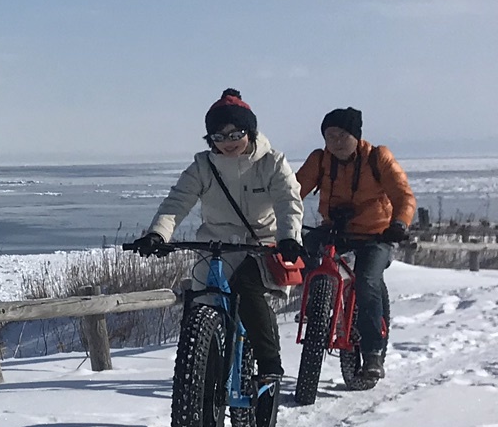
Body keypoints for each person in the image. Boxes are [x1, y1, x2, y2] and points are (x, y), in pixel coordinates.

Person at [130, 89, 304, 390]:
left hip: (261, 247)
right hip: (215, 246)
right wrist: (157, 234)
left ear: (249, 131)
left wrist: (289, 238)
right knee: (199, 305)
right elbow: (176, 203)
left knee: (247, 287)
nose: (228, 143)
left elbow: (289, 202)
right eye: (218, 137)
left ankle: (270, 363)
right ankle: (196, 373)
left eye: (234, 133)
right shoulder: (203, 166)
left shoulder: (272, 163)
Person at [295, 107, 415, 387]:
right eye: (329, 136)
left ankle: (373, 353)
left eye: (341, 135)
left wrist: (399, 223)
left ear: (356, 136)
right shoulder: (320, 160)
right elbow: (293, 190)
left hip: (376, 235)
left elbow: (403, 194)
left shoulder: (378, 157)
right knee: (302, 253)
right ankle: (318, 306)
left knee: (368, 282)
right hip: (336, 230)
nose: (335, 141)